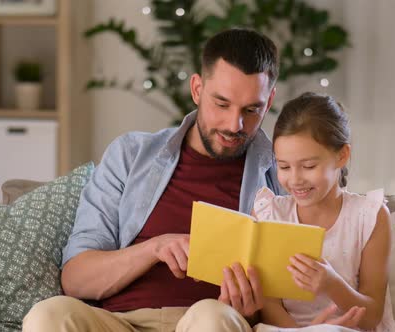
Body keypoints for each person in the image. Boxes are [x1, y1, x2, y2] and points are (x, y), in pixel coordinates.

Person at [23, 28, 282, 332]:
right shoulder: (131, 155)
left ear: (270, 100)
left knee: (211, 317)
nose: (234, 124)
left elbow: (290, 297)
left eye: (252, 110)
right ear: (197, 89)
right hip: (120, 322)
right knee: (48, 315)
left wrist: (252, 310)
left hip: (209, 322)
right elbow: (77, 279)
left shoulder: (281, 172)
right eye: (221, 104)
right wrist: (154, 248)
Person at [252, 92, 395, 332]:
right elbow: (269, 305)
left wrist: (332, 285)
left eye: (309, 166)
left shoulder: (369, 217)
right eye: (284, 166)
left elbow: (372, 317)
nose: (295, 179)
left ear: (342, 155)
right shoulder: (270, 215)